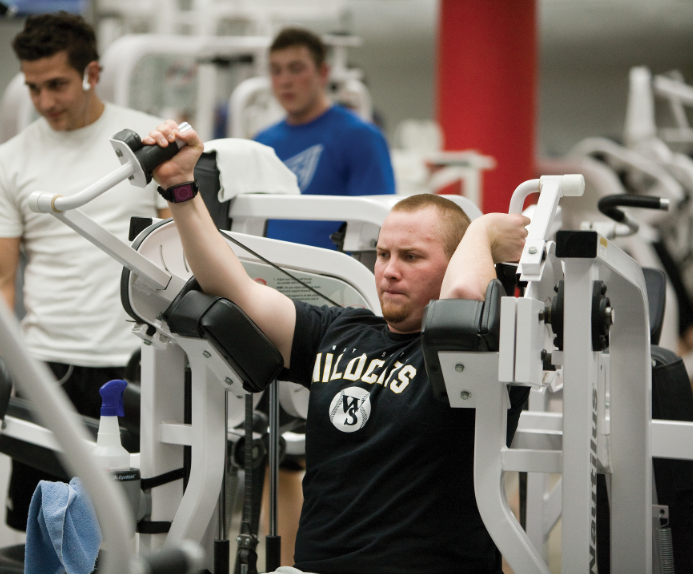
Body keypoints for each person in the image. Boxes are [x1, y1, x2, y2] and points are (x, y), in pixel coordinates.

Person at [144, 120, 531, 574]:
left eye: (411, 257)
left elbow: (467, 299)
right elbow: (236, 292)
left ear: (454, 264)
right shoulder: (341, 330)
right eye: (384, 254)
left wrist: (481, 231)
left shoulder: (482, 353)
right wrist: (180, 188)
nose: (388, 271)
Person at [0, 12, 170, 531]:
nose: (45, 102)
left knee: (136, 527)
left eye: (57, 84)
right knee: (47, 529)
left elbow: (184, 254)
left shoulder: (147, 146)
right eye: (33, 88)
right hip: (46, 366)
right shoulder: (11, 159)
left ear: (93, 73)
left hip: (135, 363)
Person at [254, 27, 395, 250]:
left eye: (296, 69)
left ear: (323, 72)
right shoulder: (262, 143)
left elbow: (380, 224)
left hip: (332, 278)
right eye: (276, 70)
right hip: (263, 273)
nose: (285, 81)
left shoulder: (360, 137)